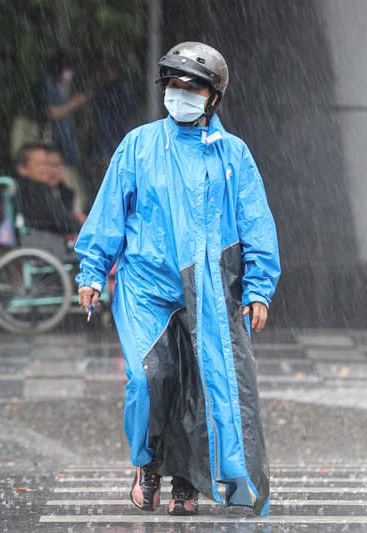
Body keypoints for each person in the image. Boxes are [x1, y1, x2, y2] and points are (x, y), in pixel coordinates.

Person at [75, 42, 280, 517]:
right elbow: (108, 214)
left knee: (206, 389)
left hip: (209, 294)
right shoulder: (139, 145)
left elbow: (256, 224)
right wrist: (91, 271)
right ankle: (148, 466)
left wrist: (259, 289)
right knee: (150, 380)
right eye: (173, 85)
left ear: (213, 97)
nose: (179, 94)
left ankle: (188, 480)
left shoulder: (234, 155)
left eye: (192, 87)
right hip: (145, 288)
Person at [33, 52, 88, 209]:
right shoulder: (45, 84)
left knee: (73, 194)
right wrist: (75, 102)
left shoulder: (58, 86)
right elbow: (50, 113)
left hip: (65, 151)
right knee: (70, 195)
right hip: (55, 149)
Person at [14, 142, 83, 260]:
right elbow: (59, 220)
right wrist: (82, 224)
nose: (47, 168)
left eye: (47, 163)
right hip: (46, 246)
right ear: (22, 169)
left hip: (45, 244)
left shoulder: (37, 189)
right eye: (39, 164)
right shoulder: (33, 190)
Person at [89, 55, 137, 191]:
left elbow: (130, 116)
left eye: (107, 69)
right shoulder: (99, 89)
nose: (104, 73)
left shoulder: (123, 89)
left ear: (114, 70)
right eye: (101, 70)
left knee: (117, 178)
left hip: (118, 138)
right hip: (102, 140)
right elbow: (96, 116)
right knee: (103, 178)